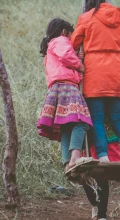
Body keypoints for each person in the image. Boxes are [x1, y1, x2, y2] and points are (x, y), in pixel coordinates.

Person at [72, 0, 120, 163]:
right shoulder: (118, 17)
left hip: (95, 74)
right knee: (118, 118)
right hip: (116, 73)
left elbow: (74, 41)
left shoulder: (86, 17)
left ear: (88, 4)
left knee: (97, 118)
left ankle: (102, 156)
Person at [36, 18, 94, 172]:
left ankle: (67, 162)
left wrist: (77, 59)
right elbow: (66, 56)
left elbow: (65, 61)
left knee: (66, 126)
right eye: (70, 36)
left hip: (56, 88)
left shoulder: (50, 47)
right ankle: (75, 157)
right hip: (67, 87)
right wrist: (80, 65)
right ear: (64, 32)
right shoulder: (60, 40)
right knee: (82, 121)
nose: (70, 40)